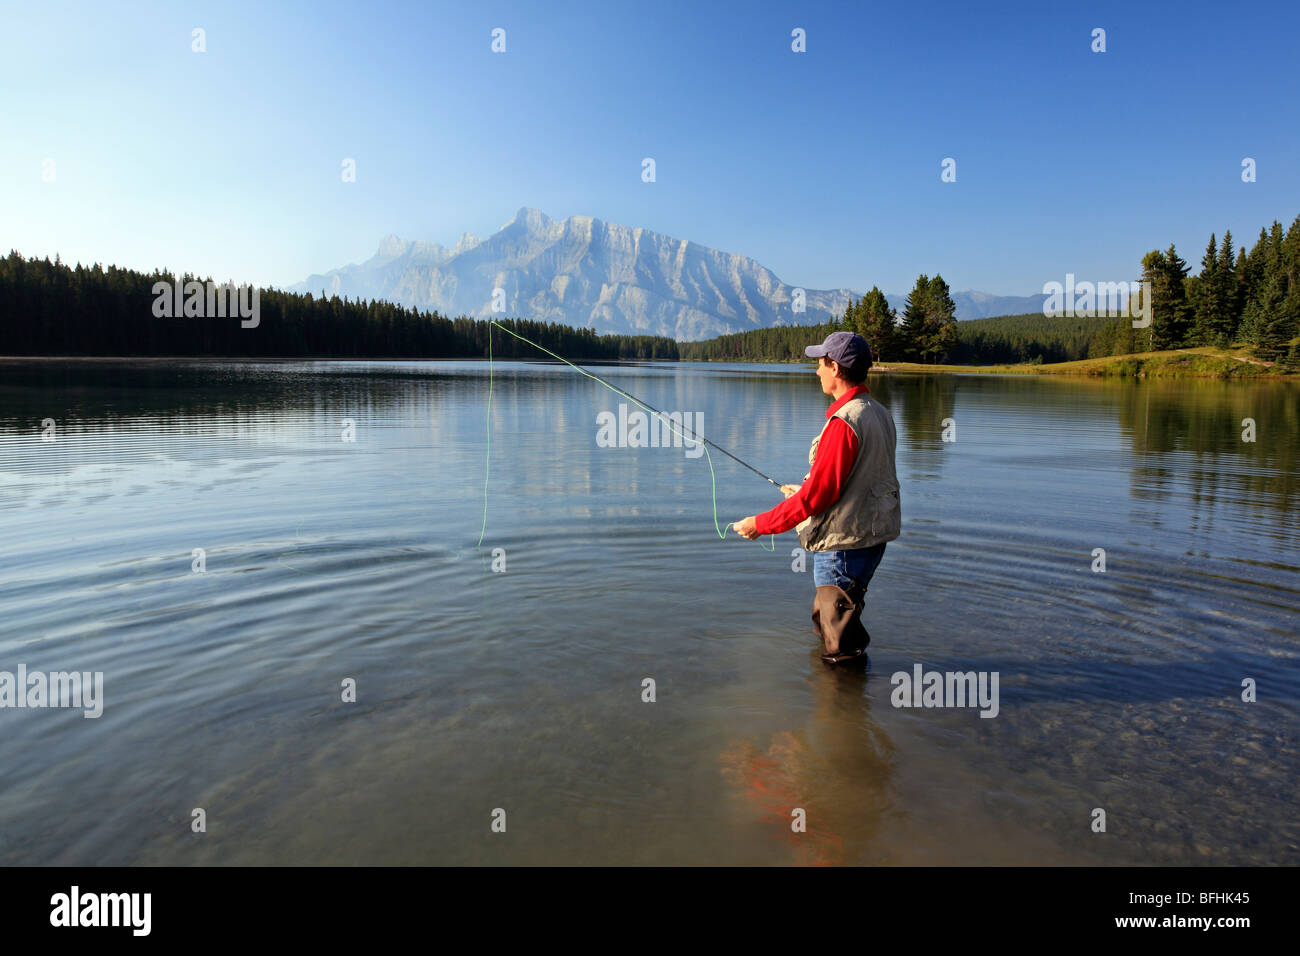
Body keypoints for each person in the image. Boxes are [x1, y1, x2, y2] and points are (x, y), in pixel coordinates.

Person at [732, 331, 901, 664]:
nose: (816, 371)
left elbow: (818, 498)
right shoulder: (878, 413)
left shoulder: (845, 423)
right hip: (869, 540)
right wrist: (806, 487)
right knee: (828, 623)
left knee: (840, 645)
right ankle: (837, 706)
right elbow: (857, 480)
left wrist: (761, 525)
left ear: (835, 368)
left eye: (820, 364)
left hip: (843, 547)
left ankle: (844, 705)